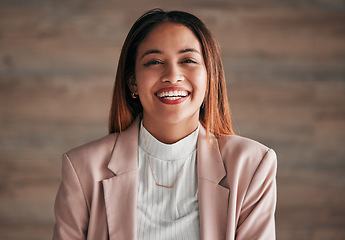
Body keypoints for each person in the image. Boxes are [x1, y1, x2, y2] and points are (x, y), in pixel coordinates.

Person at [53, 8, 277, 240]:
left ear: (210, 77)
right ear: (133, 83)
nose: (172, 75)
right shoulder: (82, 168)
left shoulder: (252, 165)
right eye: (155, 61)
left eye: (188, 60)